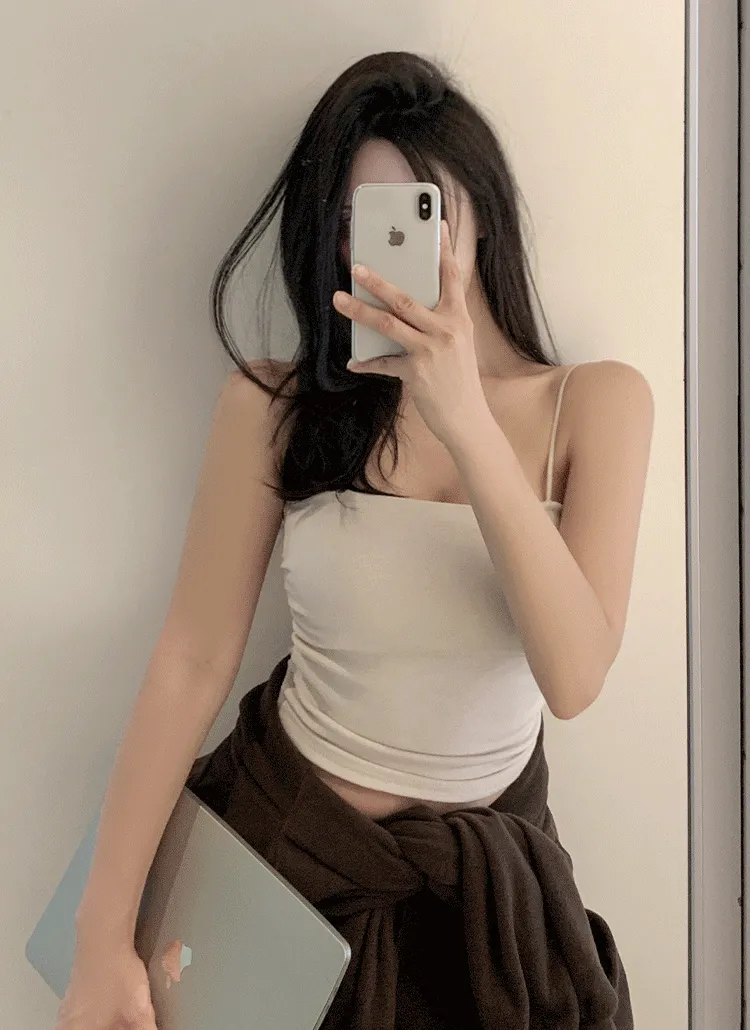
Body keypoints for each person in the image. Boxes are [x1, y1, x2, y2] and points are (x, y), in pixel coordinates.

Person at [57, 51, 653, 1030]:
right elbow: (192, 659)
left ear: (481, 217)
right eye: (354, 223)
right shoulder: (273, 405)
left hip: (481, 918)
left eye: (417, 215)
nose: (384, 252)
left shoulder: (597, 403)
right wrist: (99, 937)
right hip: (282, 873)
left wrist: (464, 418)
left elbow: (575, 676)